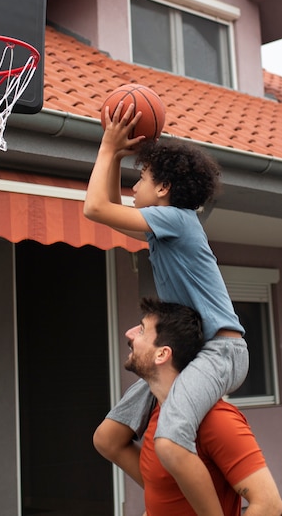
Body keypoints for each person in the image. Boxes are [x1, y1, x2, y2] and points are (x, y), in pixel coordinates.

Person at [84, 102, 249, 516]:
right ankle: (175, 499)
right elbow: (104, 208)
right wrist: (117, 155)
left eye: (139, 178)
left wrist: (108, 147)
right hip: (189, 356)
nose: (133, 187)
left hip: (220, 352)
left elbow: (95, 208)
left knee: (171, 440)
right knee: (108, 438)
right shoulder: (165, 230)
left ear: (163, 190)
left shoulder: (178, 219)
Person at [117, 297, 282, 516]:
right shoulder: (158, 415)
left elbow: (269, 505)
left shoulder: (217, 420)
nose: (129, 334)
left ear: (162, 354)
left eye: (141, 331)